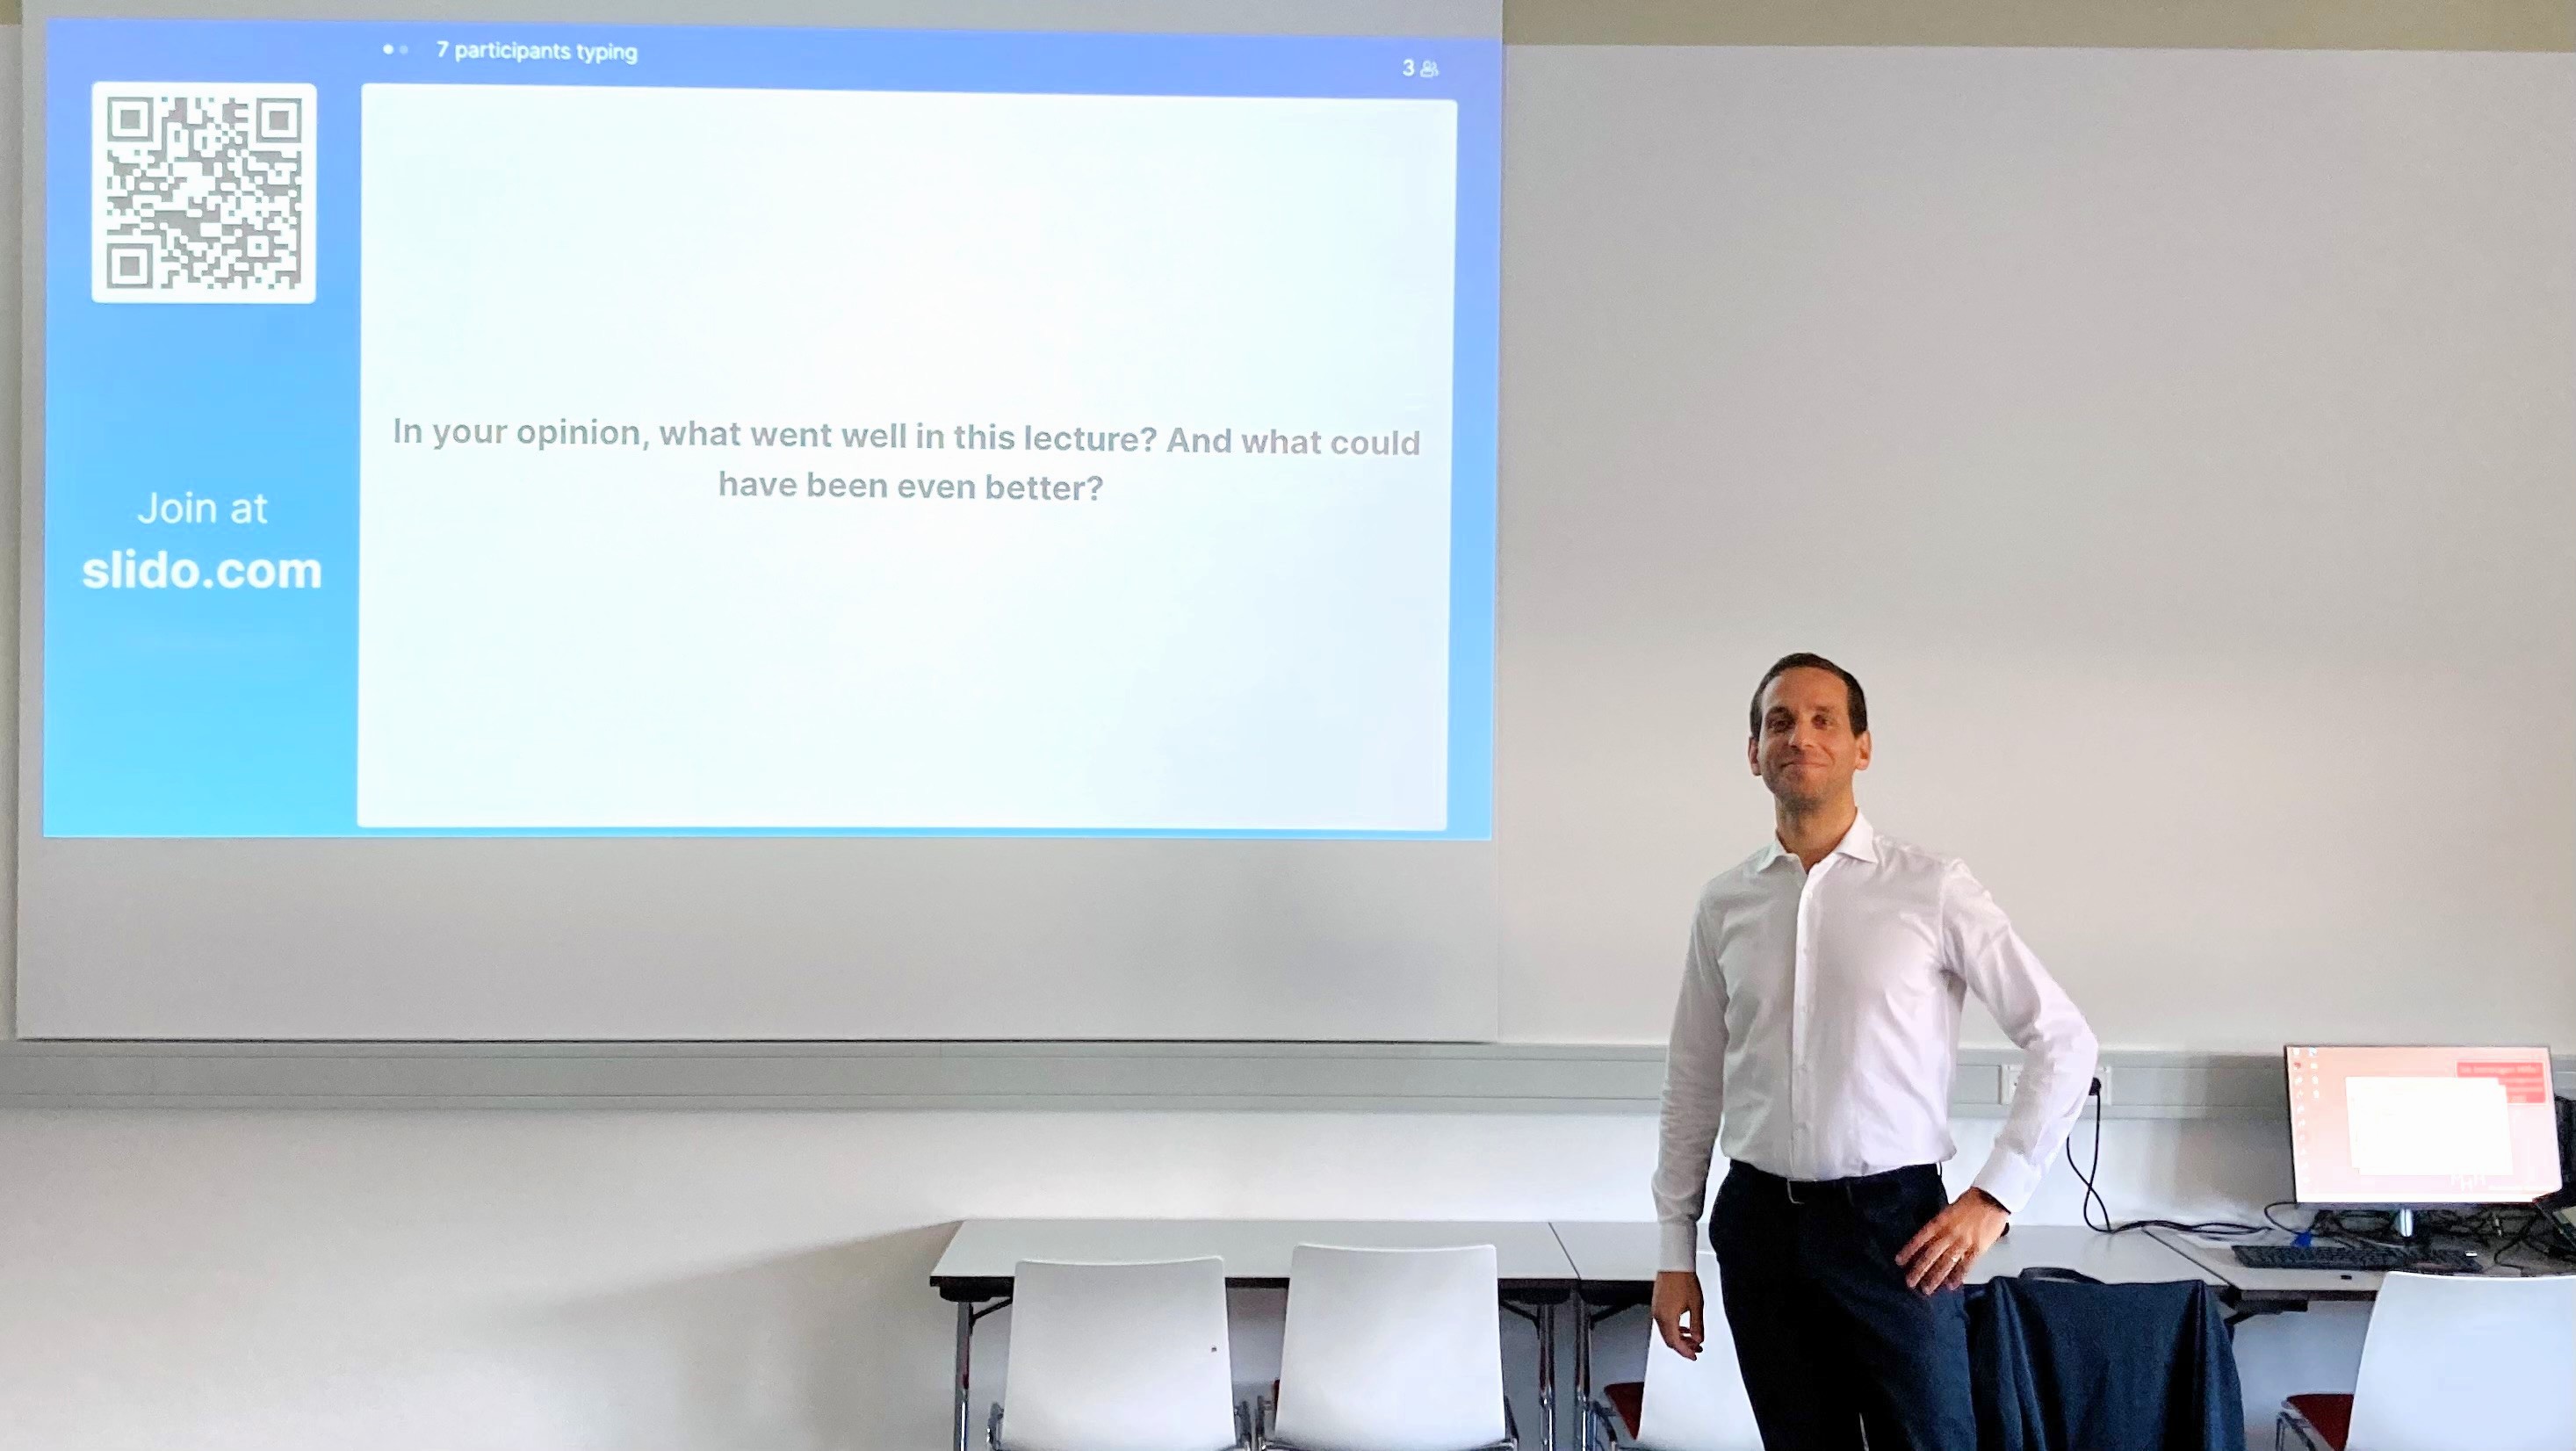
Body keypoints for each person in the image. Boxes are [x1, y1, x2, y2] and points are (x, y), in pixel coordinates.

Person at [1649, 653, 2098, 1451]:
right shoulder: (1724, 903)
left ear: (1862, 747)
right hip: (1759, 1227)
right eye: (1778, 721)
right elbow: (1691, 1083)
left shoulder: (1931, 888)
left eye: (1824, 719)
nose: (1800, 736)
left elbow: (2063, 1041)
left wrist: (1994, 1198)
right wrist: (1671, 1251)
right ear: (1752, 751)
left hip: (1895, 1229)